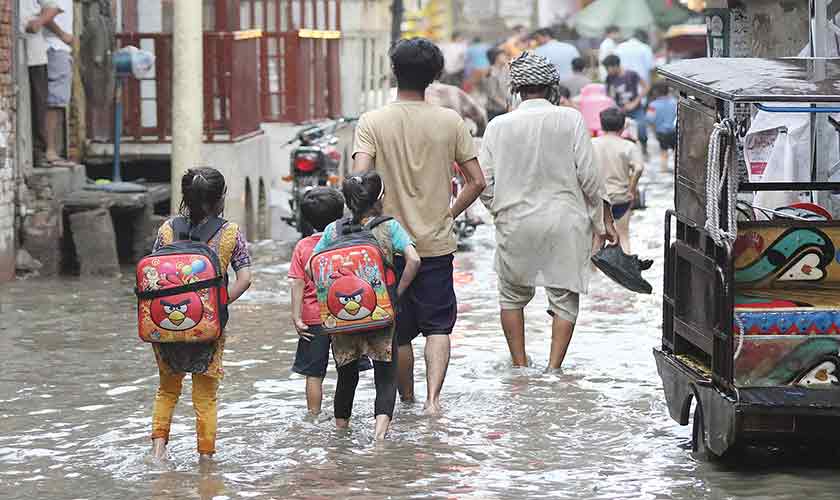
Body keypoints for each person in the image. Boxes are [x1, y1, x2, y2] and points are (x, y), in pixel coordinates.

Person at [352, 38, 486, 414]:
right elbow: (477, 181)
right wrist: (449, 213)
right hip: (436, 244)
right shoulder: (450, 121)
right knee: (439, 326)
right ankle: (433, 401)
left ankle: (406, 401)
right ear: (434, 75)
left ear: (394, 72)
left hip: (386, 247)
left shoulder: (372, 122)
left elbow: (359, 180)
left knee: (399, 331)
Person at [479, 52, 617, 370]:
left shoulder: (498, 126)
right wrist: (603, 220)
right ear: (552, 87)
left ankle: (520, 366)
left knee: (512, 297)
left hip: (515, 221)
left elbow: (484, 183)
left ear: (516, 89)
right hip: (565, 222)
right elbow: (589, 177)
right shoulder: (570, 119)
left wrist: (499, 210)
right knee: (564, 297)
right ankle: (554, 369)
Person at [149, 167, 253, 461]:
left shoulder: (167, 229)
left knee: (167, 390)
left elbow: (153, 275)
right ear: (220, 199)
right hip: (208, 329)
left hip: (166, 325)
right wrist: (218, 306)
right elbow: (244, 278)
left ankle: (158, 452)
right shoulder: (230, 232)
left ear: (186, 197)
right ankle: (206, 459)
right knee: (205, 396)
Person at [311, 172, 421, 440]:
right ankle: (379, 439)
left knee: (346, 377)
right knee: (385, 376)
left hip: (341, 319)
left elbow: (311, 266)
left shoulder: (332, 230)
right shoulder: (389, 227)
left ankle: (340, 433)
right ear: (380, 198)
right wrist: (397, 291)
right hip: (381, 314)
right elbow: (414, 260)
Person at [290, 188, 354, 417]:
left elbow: (297, 283)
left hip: (312, 319)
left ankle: (313, 416)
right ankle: (342, 417)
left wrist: (296, 317)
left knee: (314, 374)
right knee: (347, 370)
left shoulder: (303, 246)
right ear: (340, 214)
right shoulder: (347, 241)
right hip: (344, 315)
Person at [592, 108, 644, 254]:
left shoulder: (592, 144)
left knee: (597, 238)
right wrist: (631, 190)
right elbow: (639, 168)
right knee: (624, 236)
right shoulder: (628, 146)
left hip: (599, 199)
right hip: (621, 197)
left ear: (601, 126)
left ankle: (594, 274)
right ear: (622, 127)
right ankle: (625, 272)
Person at [20, 0, 61, 166]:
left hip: (33, 49)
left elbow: (52, 7)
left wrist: (39, 22)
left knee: (38, 104)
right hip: (12, 51)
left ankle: (38, 153)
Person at [43, 0, 75, 166]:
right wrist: (63, 35)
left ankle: (50, 150)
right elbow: (46, 17)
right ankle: (50, 151)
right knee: (55, 101)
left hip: (53, 47)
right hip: (56, 47)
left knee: (56, 101)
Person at [603, 54, 649, 155]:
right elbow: (608, 95)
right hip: (620, 110)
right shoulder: (609, 78)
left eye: (608, 68)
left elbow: (646, 87)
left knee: (641, 129)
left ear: (615, 65)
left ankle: (644, 150)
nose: (607, 70)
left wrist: (635, 102)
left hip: (636, 108)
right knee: (621, 133)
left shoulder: (632, 75)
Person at [647, 82, 677, 172]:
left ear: (656, 92)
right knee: (676, 150)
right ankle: (677, 169)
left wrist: (654, 130)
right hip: (674, 131)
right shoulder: (674, 102)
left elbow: (649, 119)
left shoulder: (653, 105)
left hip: (661, 132)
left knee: (663, 151)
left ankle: (663, 168)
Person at [484, 47, 510, 122]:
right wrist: (507, 107)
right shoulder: (491, 73)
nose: (505, 57)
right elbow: (493, 95)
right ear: (496, 58)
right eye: (503, 55)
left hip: (506, 108)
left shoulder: (505, 69)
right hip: (495, 111)